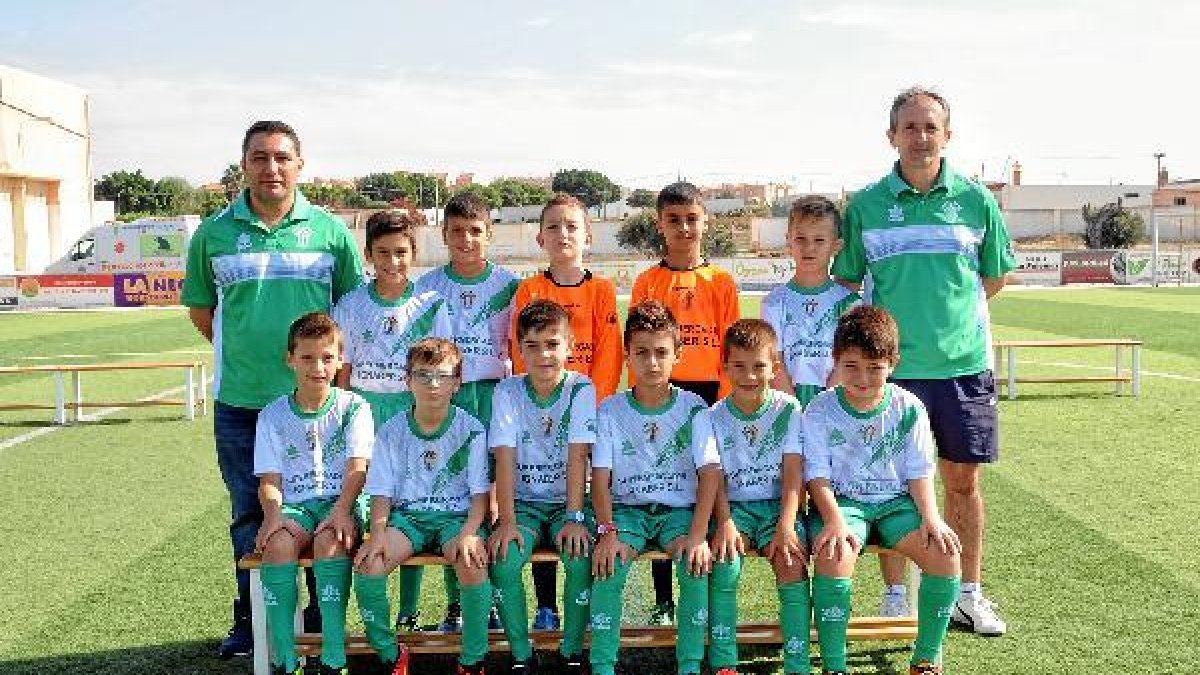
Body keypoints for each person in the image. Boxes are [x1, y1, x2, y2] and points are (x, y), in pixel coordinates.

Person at [831, 86, 1016, 635]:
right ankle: (894, 595)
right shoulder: (865, 205)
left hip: (962, 369)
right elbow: (848, 278)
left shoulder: (978, 200)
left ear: (948, 134)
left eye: (930, 126)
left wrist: (951, 326)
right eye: (909, 127)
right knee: (887, 487)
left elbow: (993, 277)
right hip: (889, 371)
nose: (920, 137)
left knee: (962, 484)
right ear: (891, 136)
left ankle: (969, 593)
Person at [182, 120, 364, 657]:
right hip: (242, 404)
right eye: (259, 158)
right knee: (249, 514)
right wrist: (253, 355)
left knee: (322, 506)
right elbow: (203, 314)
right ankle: (251, 618)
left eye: (282, 157)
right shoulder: (213, 234)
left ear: (300, 166)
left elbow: (349, 315)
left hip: (318, 407)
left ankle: (313, 614)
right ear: (244, 166)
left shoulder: (330, 232)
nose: (271, 168)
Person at [805, 306, 962, 675]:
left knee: (944, 553)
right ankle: (834, 665)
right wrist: (833, 521)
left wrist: (931, 518)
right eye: (852, 367)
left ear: (892, 363)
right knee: (833, 554)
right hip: (844, 505)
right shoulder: (820, 409)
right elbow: (817, 475)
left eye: (874, 369)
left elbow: (919, 472)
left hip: (896, 505)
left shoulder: (909, 408)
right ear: (836, 361)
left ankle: (924, 660)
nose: (862, 379)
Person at [589, 300, 722, 675]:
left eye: (661, 353)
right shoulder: (611, 410)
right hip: (627, 513)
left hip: (678, 515)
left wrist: (697, 537)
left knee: (696, 566)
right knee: (608, 567)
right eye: (641, 353)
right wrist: (608, 532)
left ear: (678, 355)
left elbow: (710, 475)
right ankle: (602, 665)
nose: (651, 363)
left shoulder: (695, 408)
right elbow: (600, 480)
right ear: (628, 356)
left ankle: (690, 664)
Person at [509, 193, 621, 631]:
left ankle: (584, 604)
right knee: (541, 499)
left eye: (572, 226)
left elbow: (609, 355)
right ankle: (544, 605)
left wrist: (590, 409)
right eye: (554, 227)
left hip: (587, 413)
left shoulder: (602, 290)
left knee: (580, 506)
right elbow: (522, 355)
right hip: (540, 414)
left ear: (588, 236)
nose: (563, 234)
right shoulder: (530, 290)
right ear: (540, 238)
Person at [629, 181, 739, 623]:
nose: (683, 227)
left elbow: (730, 346)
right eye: (673, 219)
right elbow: (638, 344)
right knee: (662, 491)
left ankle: (707, 591)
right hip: (662, 396)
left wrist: (724, 405)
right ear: (660, 224)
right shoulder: (648, 281)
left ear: (705, 221)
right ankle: (663, 600)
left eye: (691, 218)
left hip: (710, 397)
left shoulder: (721, 281)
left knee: (707, 493)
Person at [410, 192, 518, 632]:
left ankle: (487, 602)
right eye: (457, 231)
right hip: (446, 398)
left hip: (493, 397)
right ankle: (458, 604)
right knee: (456, 498)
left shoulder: (511, 285)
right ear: (444, 235)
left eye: (475, 230)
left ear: (489, 234)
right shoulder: (427, 287)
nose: (466, 239)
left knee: (490, 499)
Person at [353, 337, 492, 675]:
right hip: (409, 519)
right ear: (407, 380)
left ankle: (473, 660)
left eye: (443, 376)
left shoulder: (470, 429)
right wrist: (378, 534)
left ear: (457, 383)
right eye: (423, 375)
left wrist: (472, 533)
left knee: (472, 563)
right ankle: (390, 653)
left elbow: (479, 497)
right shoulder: (390, 431)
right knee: (369, 567)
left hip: (456, 519)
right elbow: (381, 494)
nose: (433, 384)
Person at [252, 312, 373, 675]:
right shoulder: (272, 415)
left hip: (344, 501)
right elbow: (269, 480)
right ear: (290, 359)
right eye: (306, 357)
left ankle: (333, 654)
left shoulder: (354, 406)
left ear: (339, 360)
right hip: (297, 507)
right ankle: (286, 658)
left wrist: (341, 511)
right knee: (277, 545)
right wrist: (273, 517)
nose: (317, 367)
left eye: (326, 357)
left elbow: (358, 469)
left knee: (330, 541)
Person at [489, 299, 597, 673]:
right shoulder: (507, 392)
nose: (543, 355)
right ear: (519, 350)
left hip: (569, 500)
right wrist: (506, 521)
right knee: (503, 560)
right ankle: (522, 655)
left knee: (580, 555)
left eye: (552, 344)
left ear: (569, 346)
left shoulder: (581, 388)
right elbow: (504, 457)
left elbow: (577, 455)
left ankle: (570, 652)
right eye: (532, 346)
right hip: (524, 505)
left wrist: (574, 516)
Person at [706, 319, 810, 675]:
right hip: (734, 510)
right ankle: (724, 663)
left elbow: (794, 471)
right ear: (725, 367)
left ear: (775, 367)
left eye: (759, 366)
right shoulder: (713, 416)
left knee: (791, 561)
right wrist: (725, 523)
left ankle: (798, 662)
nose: (749, 375)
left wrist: (786, 523)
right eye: (739, 366)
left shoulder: (789, 409)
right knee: (724, 562)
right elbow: (714, 477)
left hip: (779, 507)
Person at [333, 210, 453, 431]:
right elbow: (344, 367)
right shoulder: (349, 305)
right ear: (368, 255)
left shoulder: (432, 304)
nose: (393, 261)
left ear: (413, 254)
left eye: (401, 252)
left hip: (414, 407)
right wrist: (344, 419)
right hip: (364, 408)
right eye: (383, 252)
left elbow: (443, 365)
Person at [761, 195, 861, 408]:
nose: (809, 248)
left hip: (835, 407)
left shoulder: (851, 304)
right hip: (786, 407)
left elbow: (847, 362)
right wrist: (794, 410)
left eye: (819, 240)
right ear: (788, 240)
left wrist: (822, 409)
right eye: (801, 239)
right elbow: (773, 361)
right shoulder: (773, 303)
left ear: (836, 245)